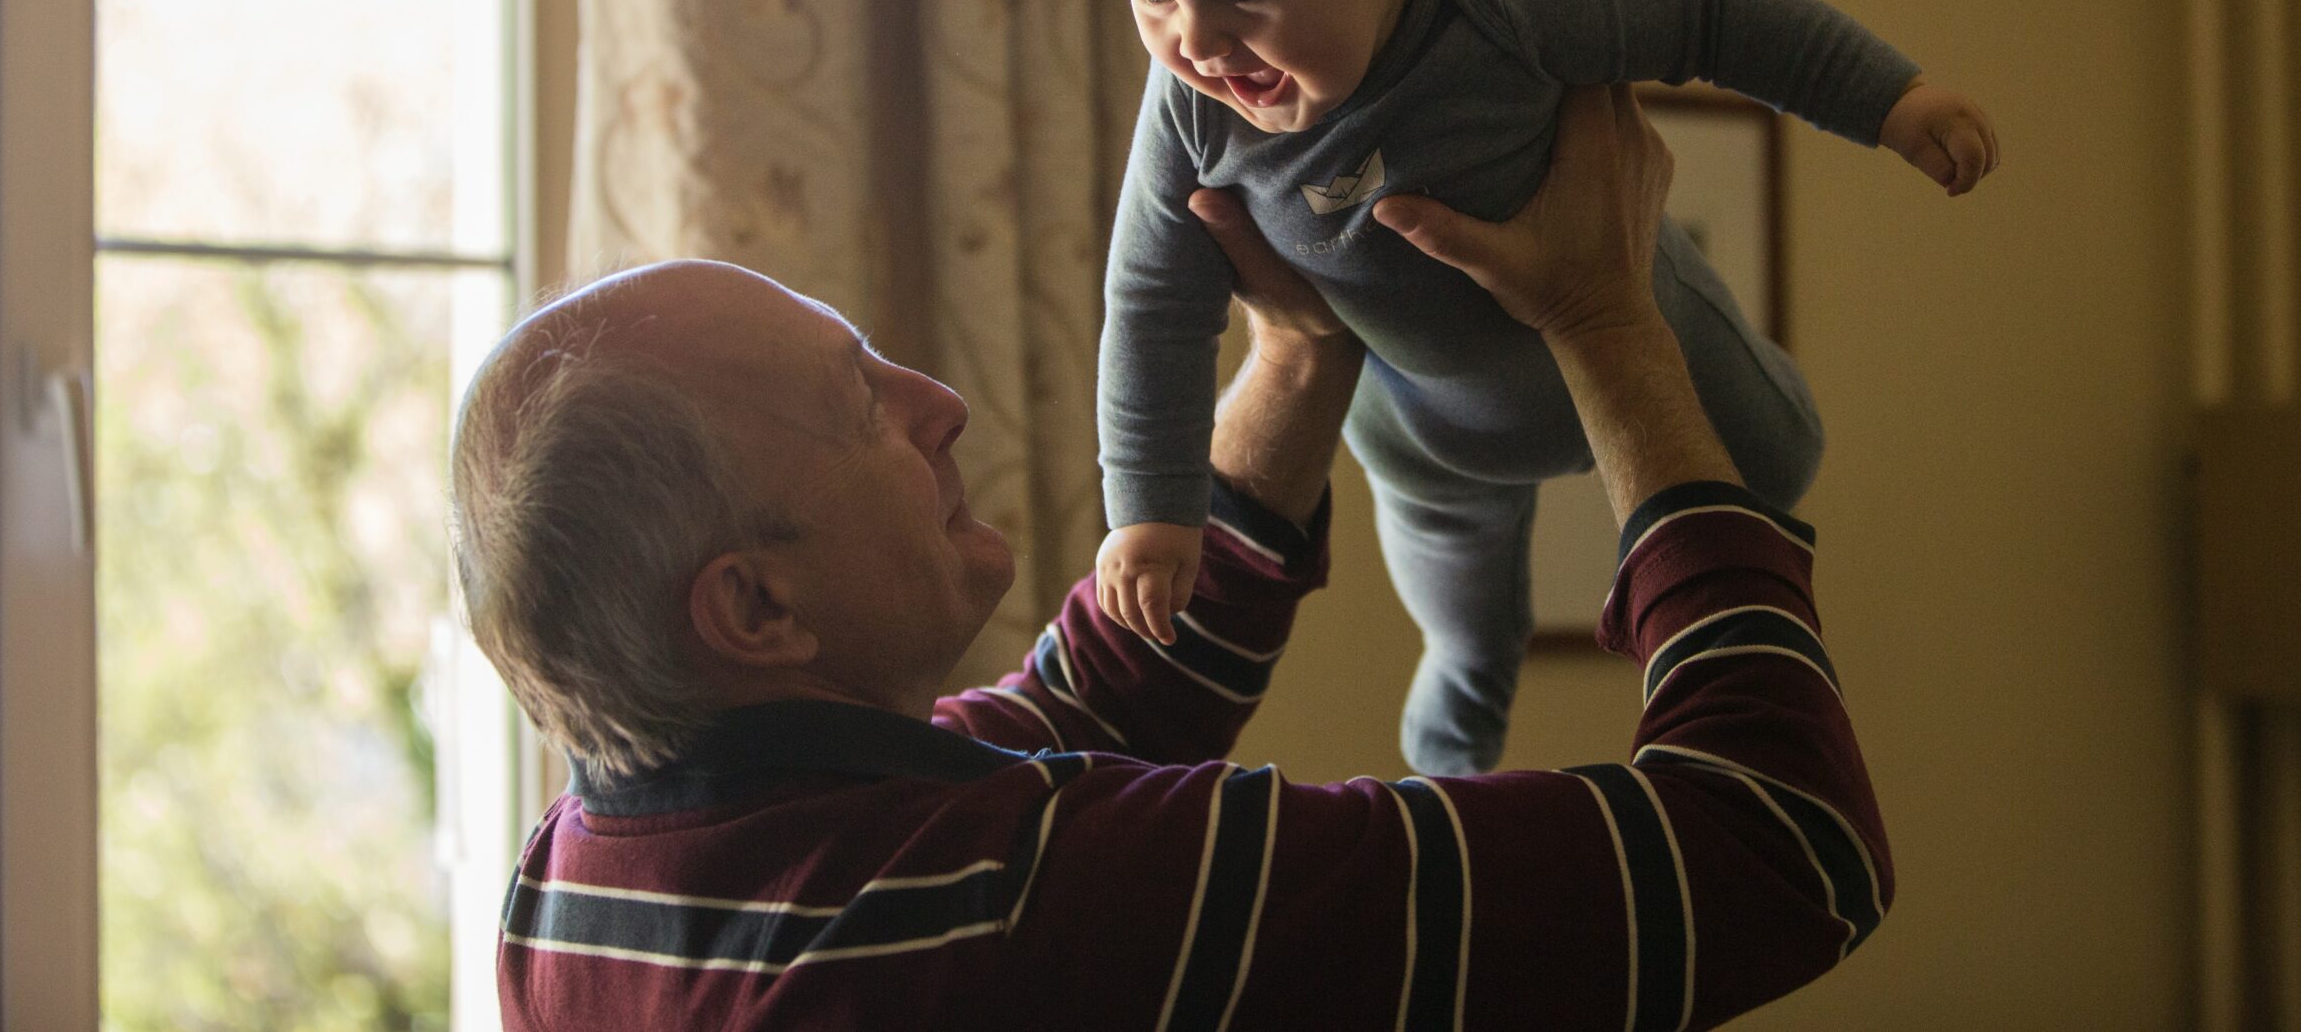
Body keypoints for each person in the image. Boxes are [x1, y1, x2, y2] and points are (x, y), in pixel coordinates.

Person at [450, 84, 1893, 1031]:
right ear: (755, 605)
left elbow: (1095, 698)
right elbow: (1778, 843)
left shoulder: (578, 883)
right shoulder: (1026, 907)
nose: (937, 402)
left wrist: (1301, 345)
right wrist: (1609, 321)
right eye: (860, 402)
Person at [1087, 0, 2000, 772]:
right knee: (1468, 631)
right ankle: (1451, 766)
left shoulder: (1510, 0)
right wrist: (1151, 509)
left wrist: (1891, 100)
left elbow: (1712, 13)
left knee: (1780, 461)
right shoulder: (1188, 110)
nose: (1194, 43)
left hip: (1638, 321)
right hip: (1428, 433)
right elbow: (1151, 304)